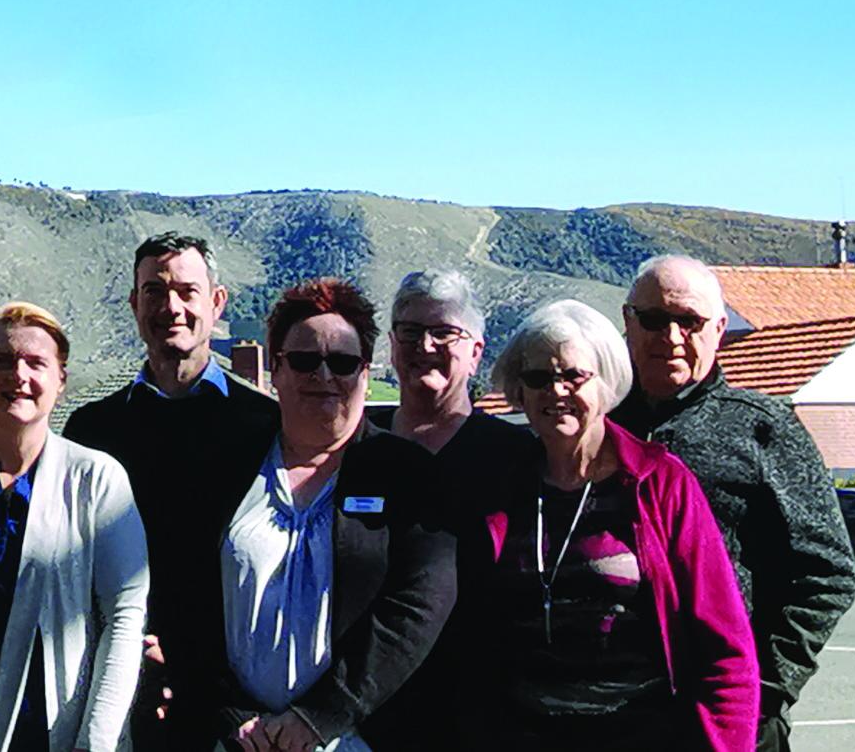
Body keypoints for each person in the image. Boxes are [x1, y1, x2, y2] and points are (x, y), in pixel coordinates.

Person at [173, 279, 456, 751]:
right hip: (241, 741)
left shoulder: (409, 477)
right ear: (276, 369)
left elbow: (418, 607)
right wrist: (232, 714)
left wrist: (320, 715)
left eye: (343, 363)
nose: (323, 376)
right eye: (304, 360)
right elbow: (186, 602)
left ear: (365, 373)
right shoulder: (220, 471)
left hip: (361, 736)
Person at [466, 299, 757, 751]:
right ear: (519, 393)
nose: (556, 390)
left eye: (573, 376)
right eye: (538, 378)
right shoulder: (501, 487)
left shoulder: (659, 483)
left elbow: (724, 646)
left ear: (605, 382)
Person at [609, 255, 855, 752]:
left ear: (718, 329)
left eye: (689, 322)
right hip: (605, 710)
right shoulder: (594, 428)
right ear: (627, 323)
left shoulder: (764, 429)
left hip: (729, 715)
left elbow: (827, 572)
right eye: (654, 319)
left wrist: (766, 689)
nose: (671, 337)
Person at [60, 233, 278, 746]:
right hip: (122, 680)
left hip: (240, 693)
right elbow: (74, 559)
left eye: (187, 291)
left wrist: (188, 660)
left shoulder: (265, 426)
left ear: (217, 302)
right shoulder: (93, 431)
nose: (171, 307)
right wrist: (133, 649)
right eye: (154, 292)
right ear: (135, 303)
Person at [0, 303, 148, 752]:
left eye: (36, 363)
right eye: (2, 361)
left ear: (61, 381)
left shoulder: (96, 479)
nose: (18, 374)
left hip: (51, 728)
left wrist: (95, 742)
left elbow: (124, 617)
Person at [363, 270, 540, 750]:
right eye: (411, 331)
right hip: (365, 714)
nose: (425, 344)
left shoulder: (518, 456)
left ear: (477, 351)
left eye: (444, 332)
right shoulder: (354, 447)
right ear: (392, 345)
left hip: (485, 715)